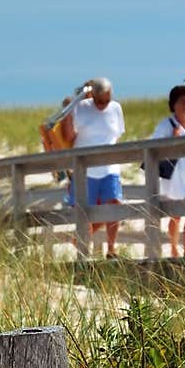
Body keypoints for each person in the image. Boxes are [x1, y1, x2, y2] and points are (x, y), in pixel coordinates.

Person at [60, 76, 126, 258]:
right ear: (92, 96)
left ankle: (112, 250)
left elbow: (117, 134)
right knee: (84, 212)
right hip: (85, 170)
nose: (104, 105)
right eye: (100, 101)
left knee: (114, 205)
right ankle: (83, 251)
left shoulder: (116, 108)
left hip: (110, 168)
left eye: (107, 100)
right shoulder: (80, 108)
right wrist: (69, 111)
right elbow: (68, 138)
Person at [150, 84, 185, 258]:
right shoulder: (165, 125)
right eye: (182, 101)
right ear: (173, 104)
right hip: (174, 175)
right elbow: (153, 149)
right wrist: (172, 142)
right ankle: (174, 249)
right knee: (176, 215)